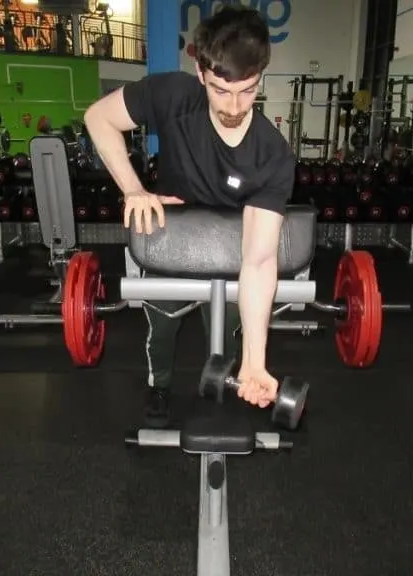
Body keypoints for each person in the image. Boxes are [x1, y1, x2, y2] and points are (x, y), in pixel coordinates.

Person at [83, 6, 293, 426]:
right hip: (170, 238)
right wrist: (134, 189)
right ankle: (159, 384)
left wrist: (258, 361)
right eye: (220, 90)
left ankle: (234, 374)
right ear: (201, 73)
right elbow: (98, 118)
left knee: (231, 332)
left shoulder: (272, 154)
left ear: (260, 78)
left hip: (231, 249)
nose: (234, 105)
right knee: (161, 328)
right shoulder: (173, 96)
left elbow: (259, 259)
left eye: (248, 91)